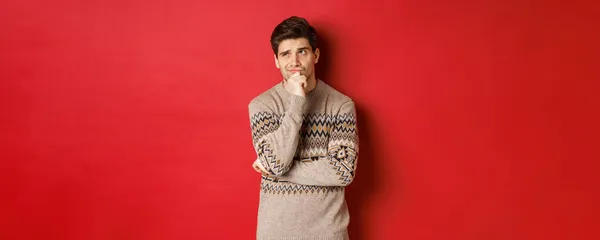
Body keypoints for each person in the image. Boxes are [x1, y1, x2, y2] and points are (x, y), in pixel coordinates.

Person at [248, 16, 359, 240]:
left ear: (315, 55)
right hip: (275, 234)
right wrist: (297, 102)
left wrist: (278, 172)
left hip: (328, 233)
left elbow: (343, 171)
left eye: (302, 51)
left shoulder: (341, 106)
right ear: (276, 61)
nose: (294, 61)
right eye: (285, 54)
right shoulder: (262, 105)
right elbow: (275, 161)